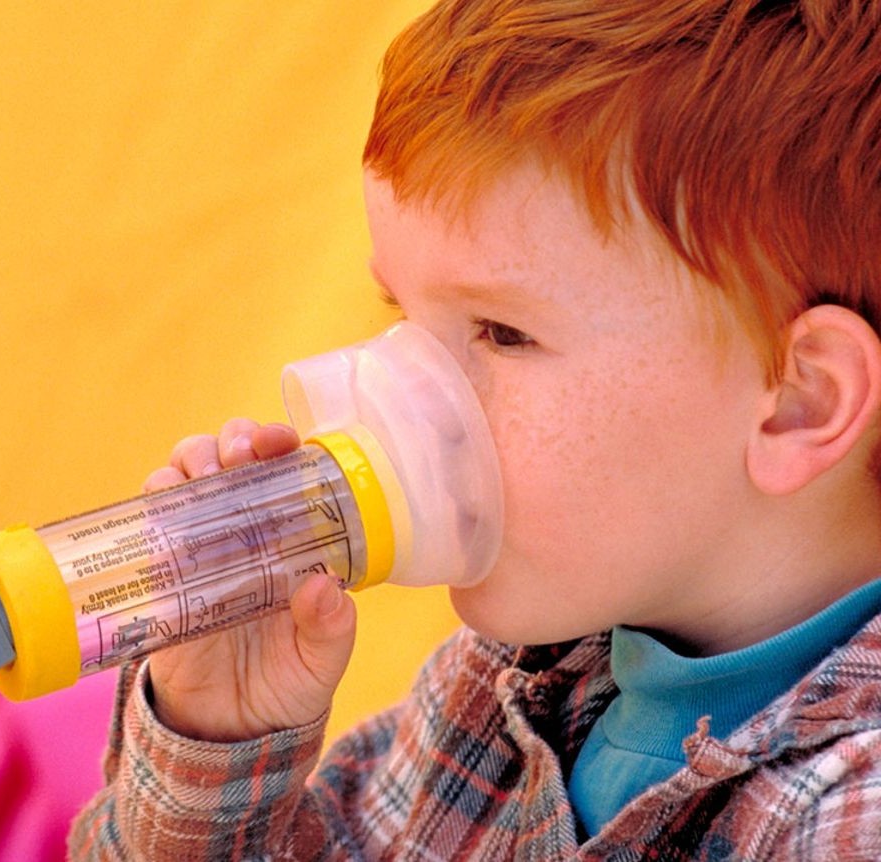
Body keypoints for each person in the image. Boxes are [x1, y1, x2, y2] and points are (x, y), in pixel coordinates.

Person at [69, 0, 881, 857]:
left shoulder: (851, 810)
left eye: (501, 333)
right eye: (401, 316)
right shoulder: (508, 679)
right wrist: (218, 745)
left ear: (798, 403)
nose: (403, 405)